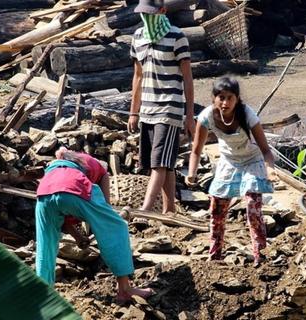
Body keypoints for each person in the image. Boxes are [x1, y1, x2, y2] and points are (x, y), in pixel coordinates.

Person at [34, 148, 153, 303]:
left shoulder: (56, 167)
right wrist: (107, 215)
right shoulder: (93, 164)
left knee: (45, 244)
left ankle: (43, 296)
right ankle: (125, 289)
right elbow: (104, 184)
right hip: (74, 187)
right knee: (117, 227)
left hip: (44, 192)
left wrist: (78, 237)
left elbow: (60, 206)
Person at [185, 77, 278, 265]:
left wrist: (270, 170)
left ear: (237, 99)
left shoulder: (247, 115)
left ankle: (261, 254)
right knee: (217, 208)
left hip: (252, 160)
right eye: (221, 97)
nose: (225, 103)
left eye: (230, 98)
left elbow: (266, 150)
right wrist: (191, 173)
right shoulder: (206, 117)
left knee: (253, 205)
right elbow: (196, 149)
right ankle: (215, 255)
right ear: (214, 98)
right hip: (229, 161)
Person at [128, 0, 196, 214]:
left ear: (163, 11)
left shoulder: (177, 37)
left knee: (159, 161)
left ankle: (146, 209)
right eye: (144, 14)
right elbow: (137, 76)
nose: (147, 18)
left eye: (151, 13)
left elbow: (187, 78)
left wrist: (190, 115)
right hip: (147, 108)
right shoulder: (138, 37)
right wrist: (133, 111)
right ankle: (170, 209)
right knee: (162, 162)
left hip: (170, 108)